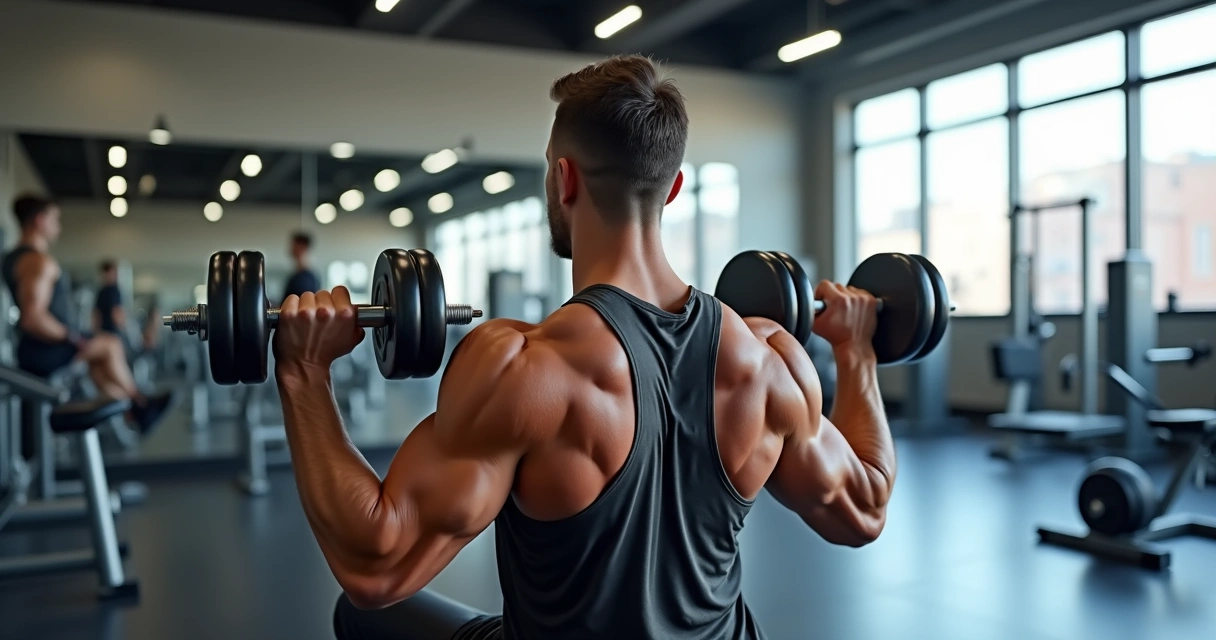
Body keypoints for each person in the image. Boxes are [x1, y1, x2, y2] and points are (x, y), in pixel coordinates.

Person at [272, 55, 895, 640]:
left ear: (563, 178)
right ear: (673, 188)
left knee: (361, 616)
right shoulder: (769, 360)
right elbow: (864, 509)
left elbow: (377, 567)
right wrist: (856, 352)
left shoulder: (525, 369)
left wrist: (304, 372)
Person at [3, 195, 172, 432]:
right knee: (111, 345)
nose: (58, 226)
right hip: (44, 351)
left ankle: (135, 409)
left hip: (38, 348)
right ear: (40, 220)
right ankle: (140, 404)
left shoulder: (14, 258)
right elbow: (33, 318)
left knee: (100, 365)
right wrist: (73, 337)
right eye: (55, 220)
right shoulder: (37, 261)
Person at [283, 231, 321, 302]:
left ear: (302, 247)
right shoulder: (299, 274)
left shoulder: (305, 278)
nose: (291, 249)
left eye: (293, 245)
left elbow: (302, 304)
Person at [92, 259, 126, 339]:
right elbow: (116, 312)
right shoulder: (113, 291)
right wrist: (123, 326)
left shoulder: (102, 291)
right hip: (112, 332)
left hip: (103, 332)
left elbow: (97, 314)